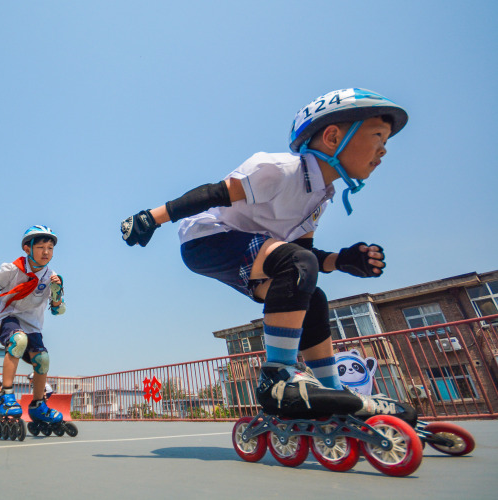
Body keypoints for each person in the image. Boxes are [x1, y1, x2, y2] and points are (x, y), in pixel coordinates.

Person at [120, 88, 416, 424]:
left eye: (386, 140)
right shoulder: (281, 169)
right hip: (206, 239)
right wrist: (150, 217)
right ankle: (276, 380)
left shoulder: (320, 197)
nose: (384, 149)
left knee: (312, 295)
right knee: (297, 266)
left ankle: (333, 391)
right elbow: (215, 193)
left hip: (250, 250)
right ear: (333, 136)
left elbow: (305, 258)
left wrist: (342, 260)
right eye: (377, 136)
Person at [0, 225, 66, 426]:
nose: (46, 252)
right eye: (41, 247)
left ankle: (38, 406)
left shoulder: (51, 277)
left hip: (31, 323)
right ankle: (7, 397)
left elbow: (57, 310)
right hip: (6, 315)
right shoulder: (13, 269)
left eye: (50, 248)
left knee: (42, 358)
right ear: (27, 249)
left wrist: (56, 292)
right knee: (18, 340)